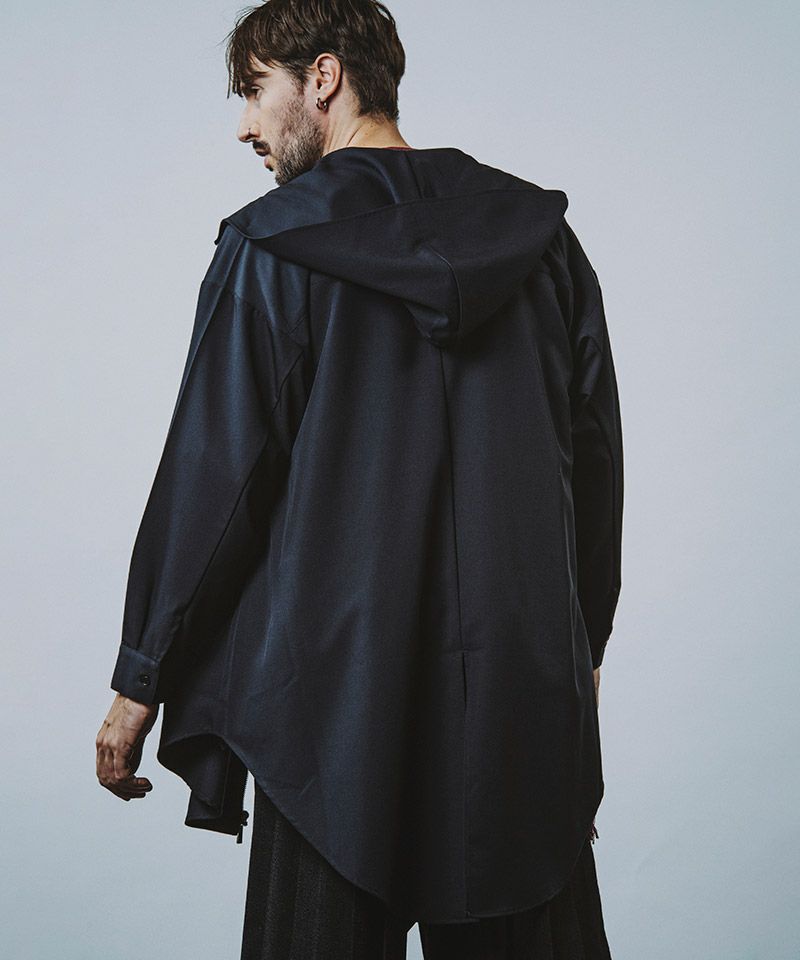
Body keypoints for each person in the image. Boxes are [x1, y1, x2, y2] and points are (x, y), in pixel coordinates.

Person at [94, 1, 623, 957]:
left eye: (254, 91)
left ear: (324, 78)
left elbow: (216, 479)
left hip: (330, 717)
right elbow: (592, 463)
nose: (245, 125)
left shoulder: (270, 248)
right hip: (516, 705)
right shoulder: (542, 240)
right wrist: (576, 667)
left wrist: (142, 677)